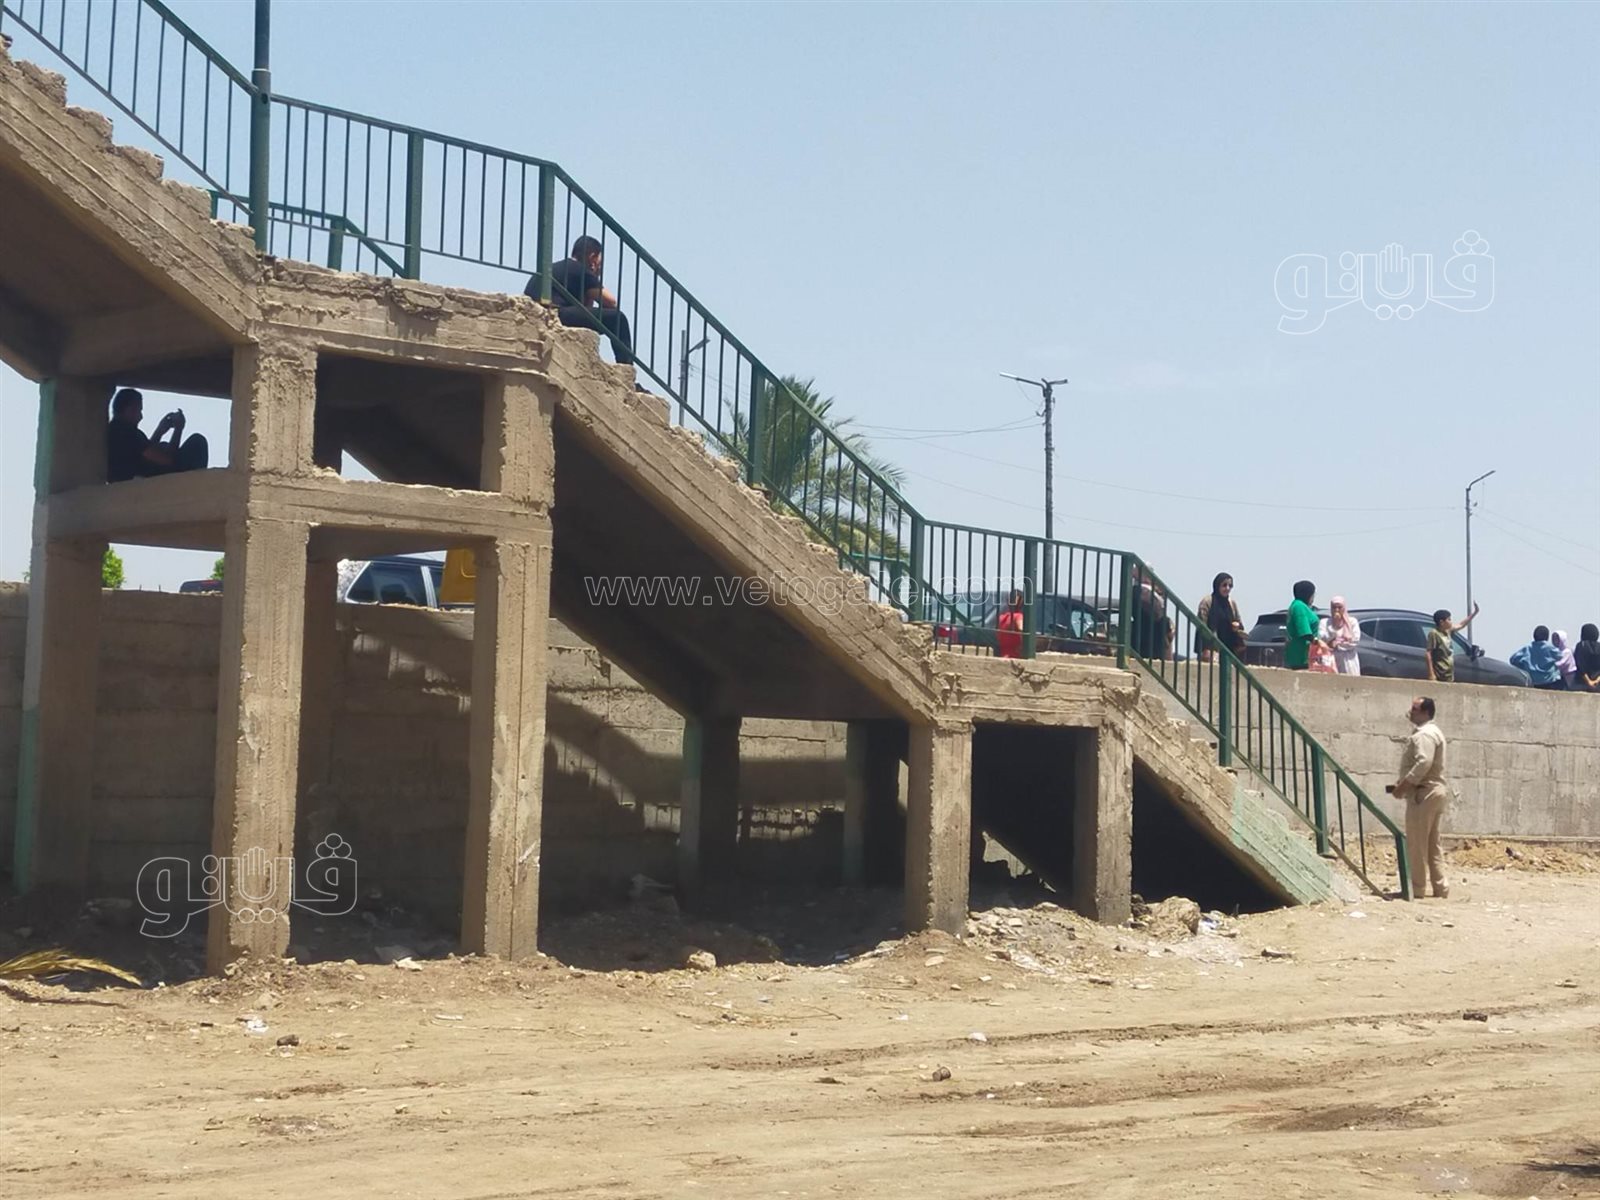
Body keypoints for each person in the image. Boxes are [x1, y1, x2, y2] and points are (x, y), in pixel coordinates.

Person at [526, 235, 635, 366]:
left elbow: (585, 308)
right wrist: (594, 276)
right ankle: (627, 366)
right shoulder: (579, 269)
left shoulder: (554, 268)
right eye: (599, 262)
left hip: (538, 314)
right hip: (557, 314)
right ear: (592, 258)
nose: (599, 267)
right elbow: (611, 302)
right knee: (618, 318)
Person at [1393, 695, 1451, 899]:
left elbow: (1424, 762)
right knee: (1432, 843)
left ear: (1426, 712)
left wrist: (1403, 786)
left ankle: (1416, 888)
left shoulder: (1424, 734)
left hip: (1423, 792)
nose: (1411, 712)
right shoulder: (1433, 732)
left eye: (1415, 709)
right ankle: (1440, 887)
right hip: (1433, 791)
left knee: (1417, 843)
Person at [106, 388, 208, 482]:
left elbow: (144, 452)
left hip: (131, 478)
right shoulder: (127, 432)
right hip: (143, 481)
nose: (141, 416)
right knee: (198, 441)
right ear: (130, 410)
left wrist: (160, 431)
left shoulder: (114, 430)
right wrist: (178, 429)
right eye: (139, 410)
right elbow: (168, 460)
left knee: (162, 445)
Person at [1195, 572, 1245, 662]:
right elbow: (1202, 626)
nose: (1227, 588)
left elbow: (1239, 623)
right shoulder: (1207, 602)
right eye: (1224, 585)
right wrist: (1205, 648)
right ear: (1217, 585)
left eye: (1230, 586)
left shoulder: (1231, 603)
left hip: (1230, 648)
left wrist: (1237, 626)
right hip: (1212, 648)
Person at [1425, 604, 1480, 683]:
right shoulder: (1434, 634)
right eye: (1449, 619)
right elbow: (1428, 653)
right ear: (1442, 622)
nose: (1451, 622)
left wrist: (1474, 613)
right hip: (1439, 673)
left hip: (1448, 673)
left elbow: (1461, 625)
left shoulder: (1448, 631)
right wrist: (1431, 674)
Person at [1128, 565, 1174, 661]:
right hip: (1146, 637)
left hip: (1157, 637)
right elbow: (1155, 612)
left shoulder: (1154, 592)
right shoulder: (1138, 591)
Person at [1319, 596, 1362, 675]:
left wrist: (1337, 644)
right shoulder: (1324, 622)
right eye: (1334, 607)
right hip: (1330, 660)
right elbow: (1322, 638)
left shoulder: (1352, 622)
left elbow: (1354, 640)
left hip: (1348, 660)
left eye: (1339, 607)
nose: (1337, 610)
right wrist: (1334, 629)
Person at [1284, 580, 1319, 670]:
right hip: (1301, 656)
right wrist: (1318, 642)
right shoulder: (1299, 607)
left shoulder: (1299, 606)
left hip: (1303, 654)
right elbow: (1304, 632)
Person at [1571, 624, 1600, 693]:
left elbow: (1580, 666)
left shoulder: (1581, 645)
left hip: (1581, 684)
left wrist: (1589, 682)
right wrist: (1597, 681)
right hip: (1598, 684)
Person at [996, 589, 1024, 659]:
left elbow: (998, 635)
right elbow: (1022, 631)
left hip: (1003, 654)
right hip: (1015, 656)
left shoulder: (1001, 618)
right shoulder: (1018, 617)